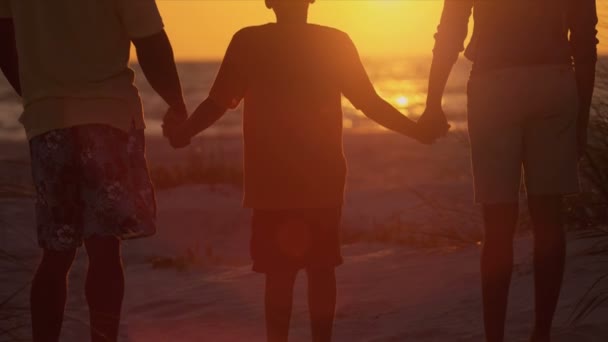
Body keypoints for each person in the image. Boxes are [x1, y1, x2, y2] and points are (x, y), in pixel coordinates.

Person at [163, 1, 445, 341]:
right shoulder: (334, 42)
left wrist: (184, 134)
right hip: (321, 180)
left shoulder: (249, 41)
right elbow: (370, 104)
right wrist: (416, 130)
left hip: (272, 182)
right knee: (321, 272)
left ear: (268, 1)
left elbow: (218, 103)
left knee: (279, 277)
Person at [0, 0, 188, 341]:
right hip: (109, 117)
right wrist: (177, 104)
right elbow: (150, 40)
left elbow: (3, 34)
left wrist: (36, 96)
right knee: (104, 248)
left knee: (56, 253)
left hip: (48, 121)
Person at [419, 0, 599, 341]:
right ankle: (541, 334)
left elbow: (451, 30)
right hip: (553, 79)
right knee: (549, 218)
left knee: (498, 224)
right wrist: (581, 118)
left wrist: (433, 103)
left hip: (494, 83)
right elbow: (584, 39)